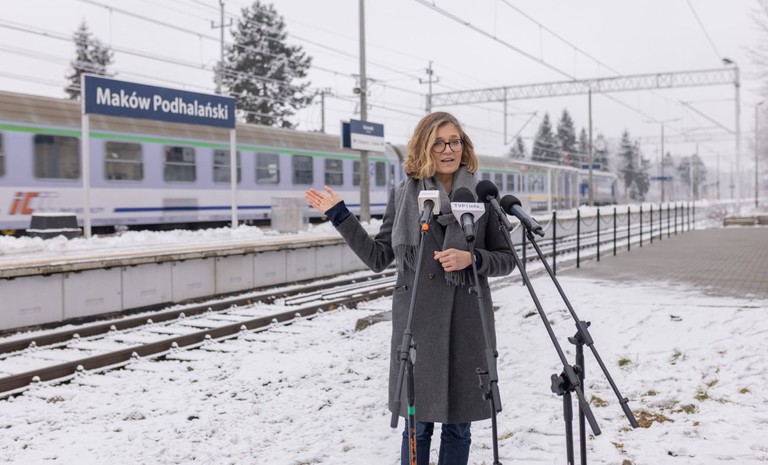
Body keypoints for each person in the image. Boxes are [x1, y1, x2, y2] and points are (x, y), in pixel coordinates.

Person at [304, 112, 515, 465]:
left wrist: (472, 258)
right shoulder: (404, 195)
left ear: (464, 146)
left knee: (459, 429)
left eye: (455, 141)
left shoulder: (481, 196)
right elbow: (378, 256)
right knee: (417, 428)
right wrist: (340, 215)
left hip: (467, 324)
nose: (448, 150)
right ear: (424, 147)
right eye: (439, 142)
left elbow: (507, 259)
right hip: (417, 325)